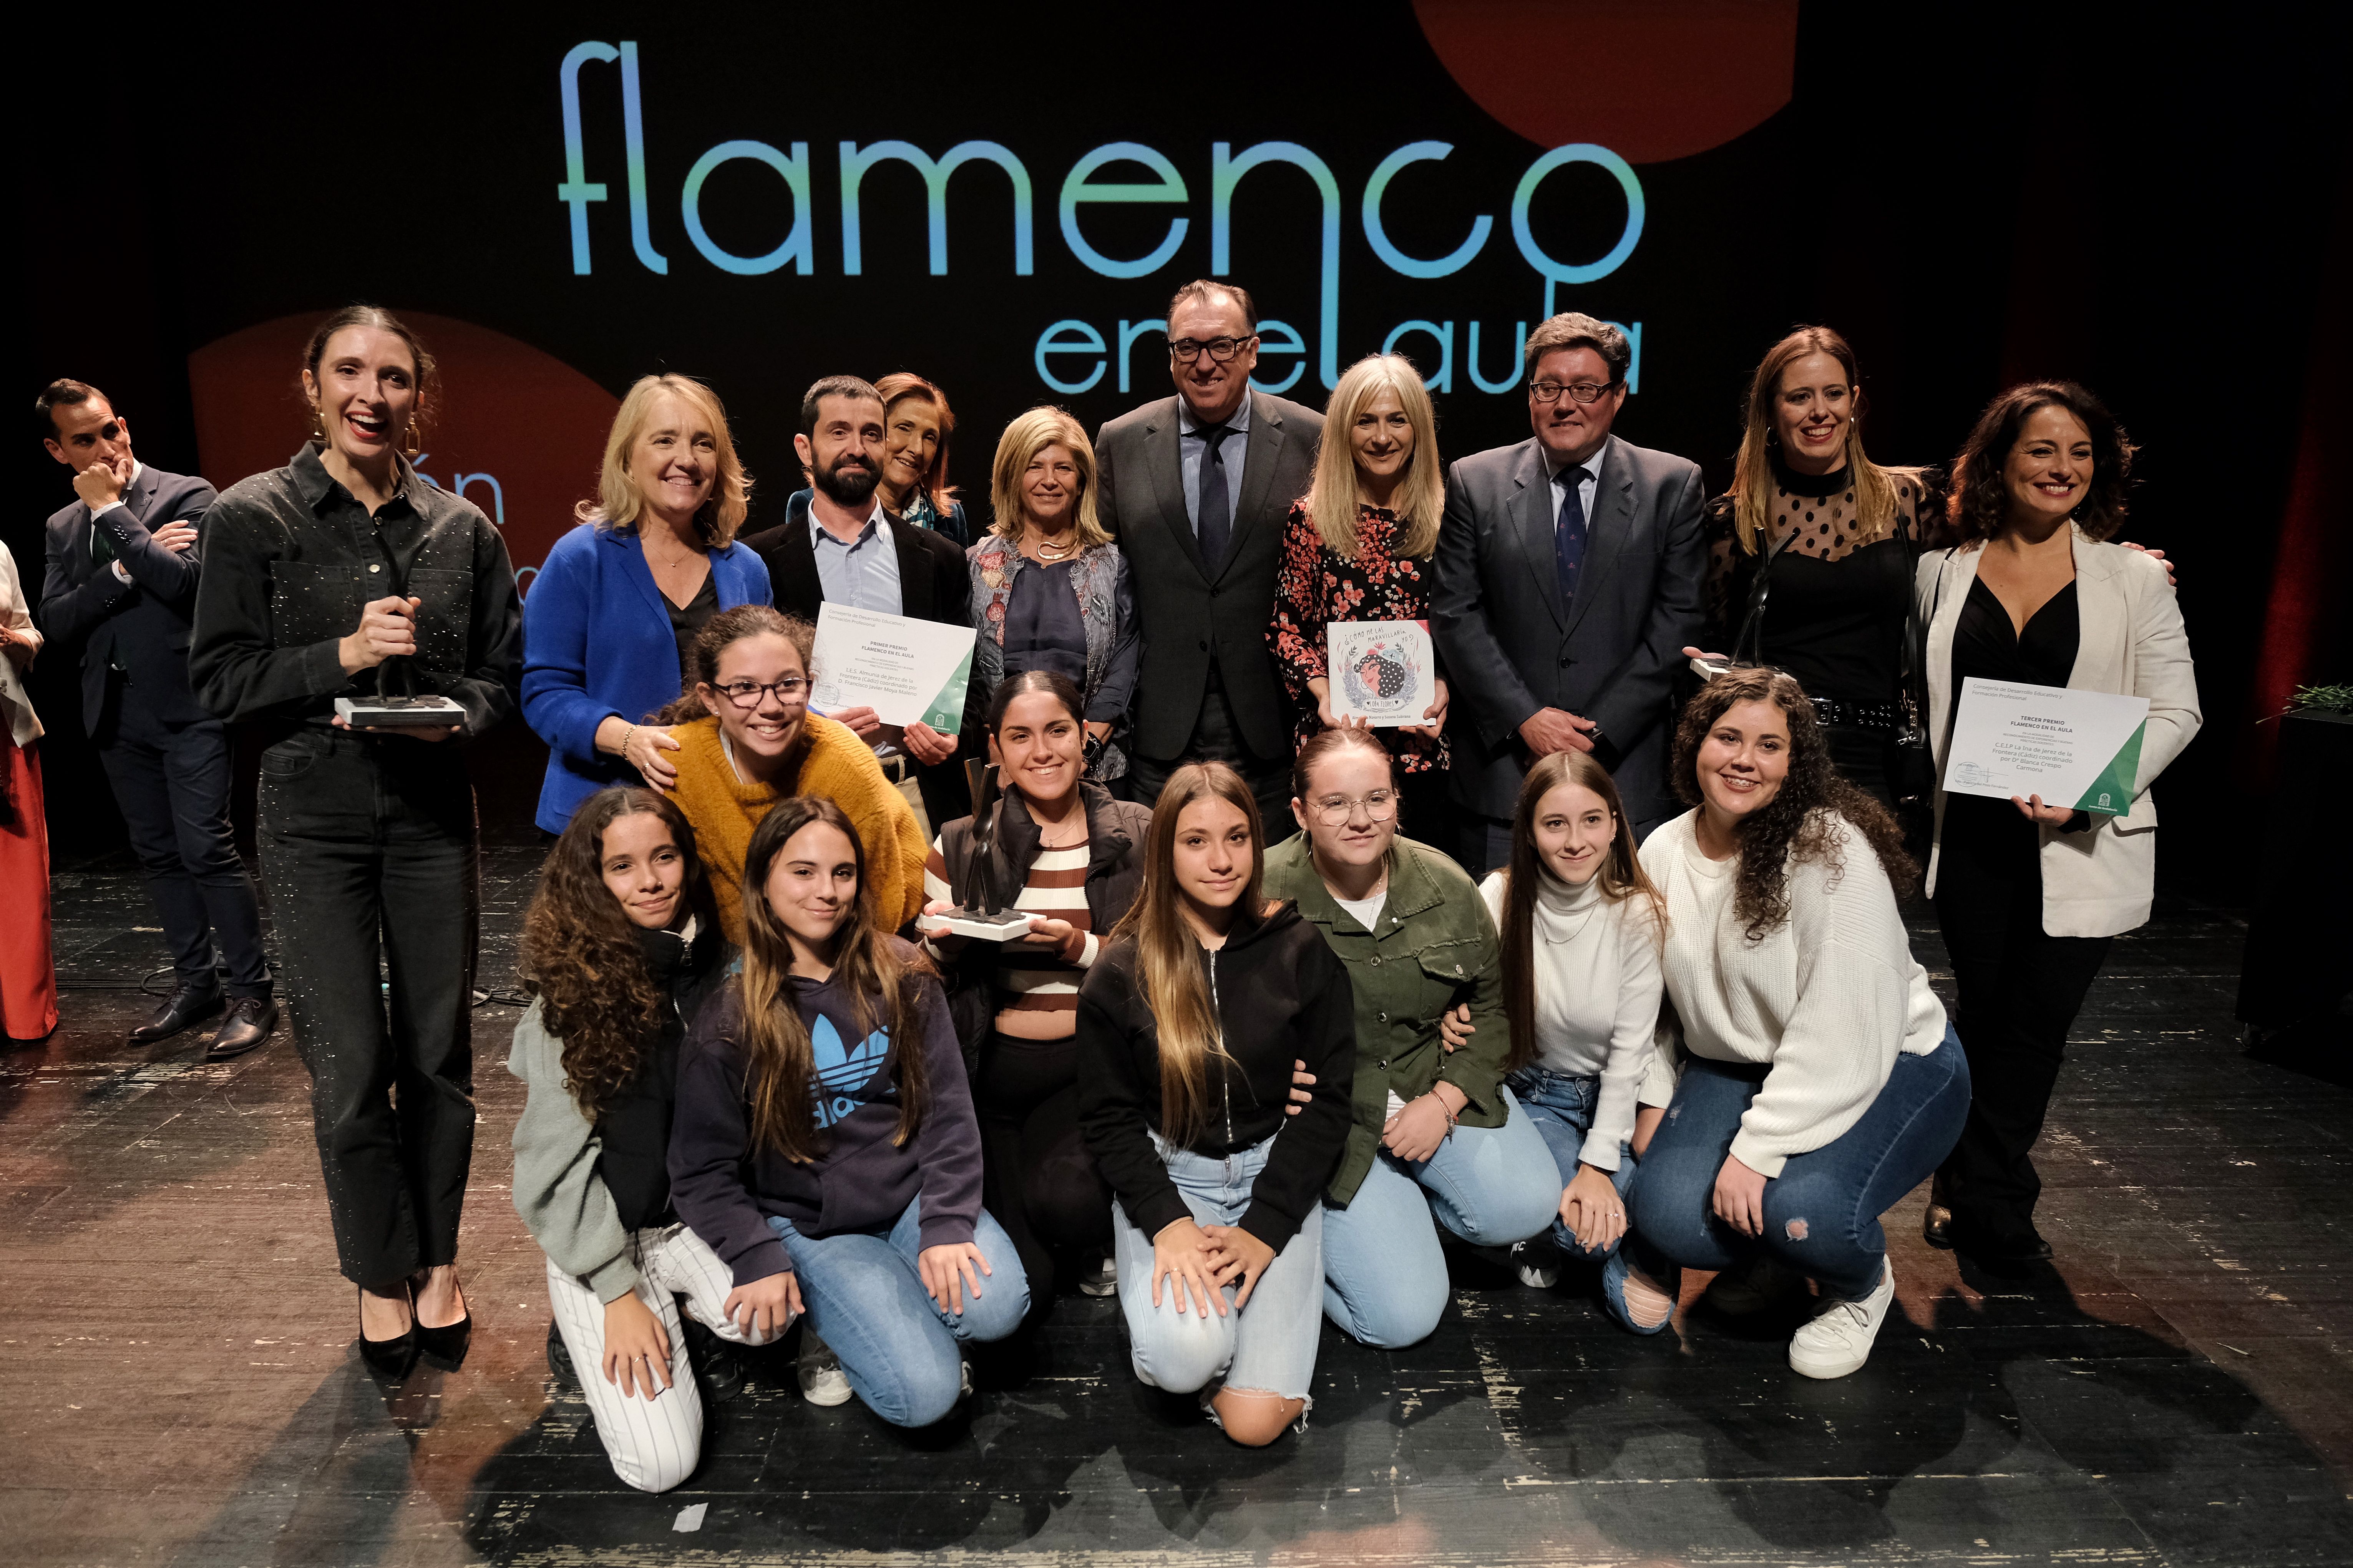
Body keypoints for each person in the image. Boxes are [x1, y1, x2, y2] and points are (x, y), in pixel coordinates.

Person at [189, 305, 521, 1374]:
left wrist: (458, 714)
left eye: (392, 376)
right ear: (313, 384)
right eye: (349, 372)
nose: (370, 394)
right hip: (312, 819)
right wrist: (339, 652)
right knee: (347, 1063)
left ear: (417, 395)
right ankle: (379, 1273)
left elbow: (499, 679)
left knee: (438, 1057)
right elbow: (221, 681)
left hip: (428, 816)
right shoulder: (256, 517)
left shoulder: (461, 530)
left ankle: (437, 1265)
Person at [1917, 381, 2199, 1273]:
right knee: (1985, 1013)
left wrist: (2089, 788)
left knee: (2036, 1022)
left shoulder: (2132, 577)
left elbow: (2175, 709)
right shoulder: (1939, 572)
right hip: (1969, 835)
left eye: (2079, 453)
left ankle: (1989, 1197)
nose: (2060, 468)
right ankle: (1967, 1179)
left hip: (2080, 835)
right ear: (2000, 460)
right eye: (2041, 450)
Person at [1629, 668, 1969, 1378]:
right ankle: (1782, 1262)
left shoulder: (1826, 851)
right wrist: (1654, 1093)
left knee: (1802, 1208)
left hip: (1890, 1061)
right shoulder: (1663, 848)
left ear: (1796, 761)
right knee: (1667, 1214)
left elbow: (1841, 1030)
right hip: (1744, 1063)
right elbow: (1649, 999)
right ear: (1695, 742)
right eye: (1727, 737)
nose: (1743, 760)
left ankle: (1857, 1283)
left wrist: (1756, 1151)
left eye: (1768, 745)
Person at [669, 796, 1028, 1429]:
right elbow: (699, 1170)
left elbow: (947, 1110)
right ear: (762, 882)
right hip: (814, 1225)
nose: (826, 890)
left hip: (908, 1198)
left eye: (842, 873)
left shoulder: (903, 972)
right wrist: (756, 1254)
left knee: (997, 1310)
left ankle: (891, 1304)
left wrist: (946, 1223)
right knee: (924, 1397)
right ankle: (837, 1321)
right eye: (802, 872)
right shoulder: (728, 1020)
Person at [1077, 762, 1357, 1446]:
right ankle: (1184, 1313)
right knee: (1184, 1360)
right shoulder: (1121, 967)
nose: (1221, 859)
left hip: (1270, 1174)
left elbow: (1327, 1102)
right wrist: (1167, 1224)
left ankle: (1268, 1299)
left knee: (1253, 1423)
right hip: (1176, 1180)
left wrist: (1265, 1227)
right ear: (1163, 851)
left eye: (1236, 837)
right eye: (1196, 841)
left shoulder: (1298, 948)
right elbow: (1109, 1118)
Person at [509, 787, 778, 1491]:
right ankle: (600, 1312)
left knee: (766, 1322)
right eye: (622, 866)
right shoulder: (567, 1004)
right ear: (592, 882)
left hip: (691, 1217)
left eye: (664, 857)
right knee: (660, 1468)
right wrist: (616, 1292)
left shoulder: (724, 970)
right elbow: (550, 1176)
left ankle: (683, 1309)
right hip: (607, 1237)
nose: (651, 880)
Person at [1261, 728, 1557, 1349]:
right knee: (1399, 1321)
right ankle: (1301, 1246)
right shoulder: (1261, 892)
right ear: (1300, 811)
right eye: (1335, 803)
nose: (1359, 818)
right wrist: (1258, 1070)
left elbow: (1493, 1005)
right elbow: (1209, 1010)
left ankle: (1394, 1220)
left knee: (1524, 1204)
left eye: (1376, 799)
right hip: (1328, 1117)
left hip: (1421, 1082)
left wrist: (1445, 1100)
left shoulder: (1446, 886)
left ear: (1398, 800)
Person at [37, 380, 274, 1058]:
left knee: (207, 847)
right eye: (84, 439)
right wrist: (125, 564)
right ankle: (195, 984)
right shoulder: (60, 526)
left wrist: (114, 513)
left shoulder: (190, 494)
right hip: (114, 712)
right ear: (58, 449)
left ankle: (251, 990)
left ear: (125, 424)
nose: (106, 446)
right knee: (160, 856)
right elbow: (57, 621)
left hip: (190, 704)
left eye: (111, 429)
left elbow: (185, 584)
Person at [1431, 313, 1707, 868]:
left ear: (1619, 394)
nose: (1565, 404)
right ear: (1530, 394)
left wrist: (1594, 736)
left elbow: (1677, 621)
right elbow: (1456, 613)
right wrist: (1527, 718)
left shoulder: (1672, 485)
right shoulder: (1474, 481)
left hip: (1623, 779)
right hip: (1503, 777)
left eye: (1585, 388)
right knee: (1501, 950)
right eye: (1548, 387)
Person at [920, 670, 1151, 1310]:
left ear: (1084, 737)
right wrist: (943, 938)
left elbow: (1170, 963)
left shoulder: (1136, 831)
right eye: (1019, 736)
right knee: (1022, 1289)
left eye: (1056, 731)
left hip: (1089, 1067)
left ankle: (1097, 1226)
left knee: (1067, 1206)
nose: (1041, 751)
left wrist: (1078, 948)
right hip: (990, 1079)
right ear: (994, 748)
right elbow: (931, 965)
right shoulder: (960, 839)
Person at [1095, 281, 1323, 832]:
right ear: (1170, 355)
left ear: (1252, 350)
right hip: (1158, 730)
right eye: (1187, 347)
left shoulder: (1311, 436)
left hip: (1271, 726)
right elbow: (1103, 583)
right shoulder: (1121, 441)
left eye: (1222, 345)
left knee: (1263, 898)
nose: (1204, 363)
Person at [1684, 328, 1944, 807]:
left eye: (1833, 394)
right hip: (1769, 761)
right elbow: (1719, 642)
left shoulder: (1911, 499)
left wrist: (2105, 553)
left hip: (1882, 762)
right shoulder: (1734, 519)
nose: (1819, 411)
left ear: (1855, 400)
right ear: (1770, 410)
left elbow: (1994, 567)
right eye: (1799, 397)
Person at [1478, 750, 1677, 1333]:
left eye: (1592, 819)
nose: (1575, 840)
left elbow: (1630, 1052)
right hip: (1535, 1095)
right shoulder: (1499, 896)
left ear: (1616, 824)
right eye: (1555, 823)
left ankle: (1616, 1232)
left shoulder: (1637, 911)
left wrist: (1598, 1161)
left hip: (1614, 1094)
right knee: (1579, 1232)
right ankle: (1585, 1232)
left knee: (1626, 1285)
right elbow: (1472, 1005)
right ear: (1530, 831)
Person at [520, 373, 769, 833]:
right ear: (628, 458)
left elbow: (763, 688)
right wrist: (627, 739)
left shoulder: (746, 568)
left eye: (703, 444)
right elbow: (546, 693)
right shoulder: (580, 558)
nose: (686, 460)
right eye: (664, 440)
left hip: (722, 819)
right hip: (603, 818)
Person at [743, 376, 976, 834]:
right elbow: (744, 690)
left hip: (914, 795)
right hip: (803, 792)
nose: (857, 448)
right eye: (838, 432)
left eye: (871, 433)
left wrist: (952, 735)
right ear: (805, 449)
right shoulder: (759, 562)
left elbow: (970, 688)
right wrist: (808, 722)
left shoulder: (940, 557)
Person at [655, 605, 927, 940]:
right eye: (745, 688)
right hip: (743, 952)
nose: (770, 708)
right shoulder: (680, 761)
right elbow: (721, 899)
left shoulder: (846, 763)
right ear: (711, 698)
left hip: (871, 932)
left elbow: (879, 906)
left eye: (788, 684)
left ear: (809, 690)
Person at [1269, 353, 1452, 829]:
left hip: (1421, 747)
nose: (1382, 437)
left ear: (1418, 429)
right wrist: (1324, 694)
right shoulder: (1310, 518)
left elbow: (1467, 625)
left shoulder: (1449, 516)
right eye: (1365, 422)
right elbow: (1286, 628)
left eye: (1397, 420)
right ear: (1343, 432)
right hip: (1337, 746)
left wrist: (1444, 687)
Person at [968, 408, 1139, 788]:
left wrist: (1083, 752)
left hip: (1095, 773)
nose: (1049, 480)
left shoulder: (1114, 567)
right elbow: (970, 680)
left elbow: (1122, 674)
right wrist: (1001, 751)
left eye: (1063, 468)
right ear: (1012, 476)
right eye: (1034, 467)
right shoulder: (974, 565)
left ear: (1081, 481)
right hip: (1003, 774)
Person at [1, 539, 53, 1043]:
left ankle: (20, 1013)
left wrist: (14, 641)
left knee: (16, 882)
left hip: (5, 732)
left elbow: (30, 631)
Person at [873, 372, 971, 547]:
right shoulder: (814, 506)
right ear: (871, 432)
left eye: (929, 438)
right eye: (904, 428)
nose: (917, 449)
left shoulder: (950, 519)